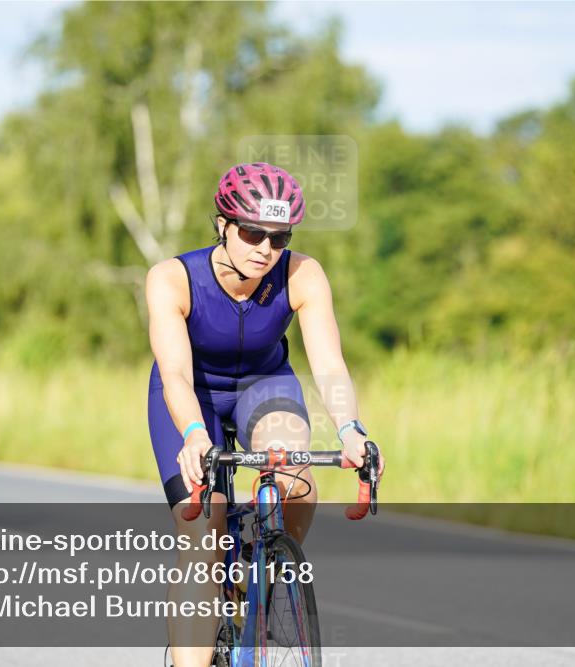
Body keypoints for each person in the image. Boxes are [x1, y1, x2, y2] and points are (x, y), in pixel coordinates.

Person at [146, 162, 380, 667]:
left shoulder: (302, 273)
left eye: (279, 237)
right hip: (193, 396)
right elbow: (177, 377)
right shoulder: (171, 279)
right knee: (201, 540)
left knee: (295, 479)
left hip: (265, 384)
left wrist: (349, 428)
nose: (265, 250)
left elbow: (329, 364)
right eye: (252, 233)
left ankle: (263, 569)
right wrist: (191, 433)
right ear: (223, 224)